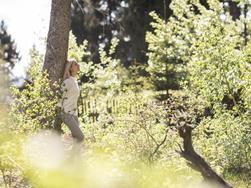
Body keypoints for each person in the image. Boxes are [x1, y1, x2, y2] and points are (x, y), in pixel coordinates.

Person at [54, 59, 84, 143]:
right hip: (66, 113)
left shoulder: (75, 81)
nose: (78, 65)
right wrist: (58, 116)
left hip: (74, 114)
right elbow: (60, 98)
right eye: (75, 64)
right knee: (80, 137)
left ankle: (73, 155)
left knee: (76, 139)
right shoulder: (67, 82)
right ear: (70, 68)